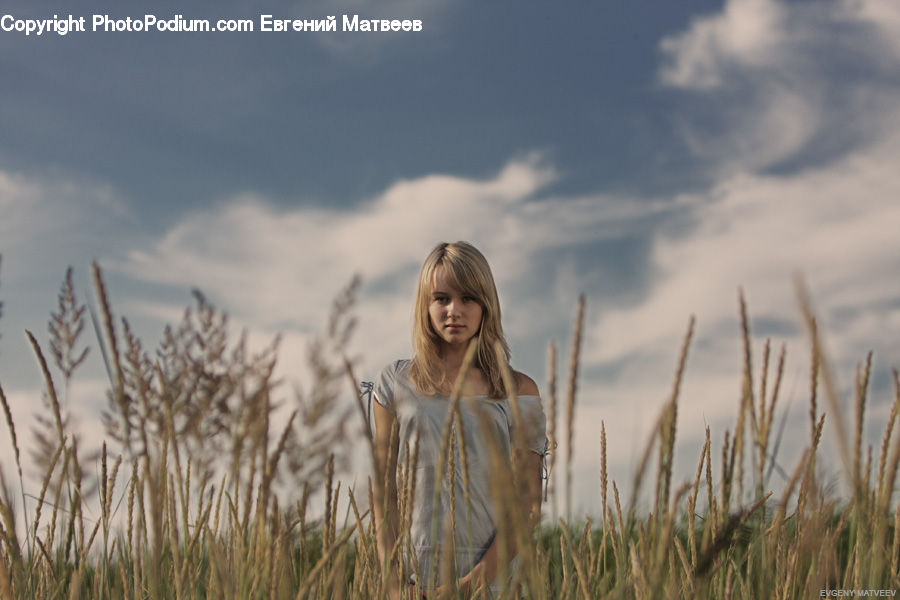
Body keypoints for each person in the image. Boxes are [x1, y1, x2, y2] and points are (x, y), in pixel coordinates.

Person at [372, 241, 547, 599]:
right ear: (425, 304)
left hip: (495, 578)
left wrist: (466, 588)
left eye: (468, 298)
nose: (455, 310)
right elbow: (384, 492)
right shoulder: (393, 383)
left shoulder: (519, 390)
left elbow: (527, 505)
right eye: (441, 298)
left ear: (486, 305)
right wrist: (393, 584)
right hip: (415, 579)